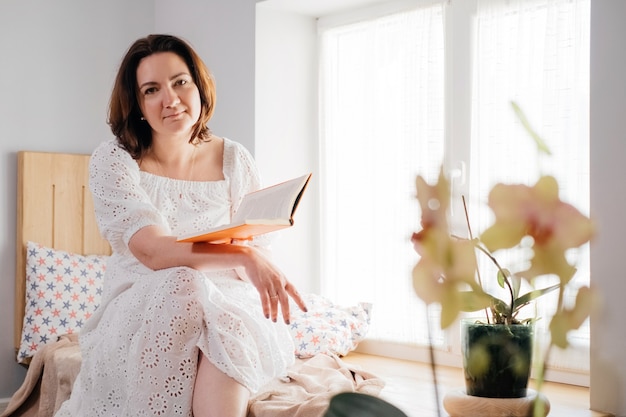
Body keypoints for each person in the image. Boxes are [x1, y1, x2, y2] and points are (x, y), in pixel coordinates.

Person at [54, 34, 308, 417]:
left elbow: (256, 243)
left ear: (199, 85)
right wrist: (244, 255)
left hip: (227, 302)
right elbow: (154, 251)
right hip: (143, 300)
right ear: (137, 104)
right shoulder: (114, 160)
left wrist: (253, 255)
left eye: (180, 82)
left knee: (227, 322)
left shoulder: (234, 159)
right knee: (182, 281)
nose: (170, 99)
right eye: (151, 90)